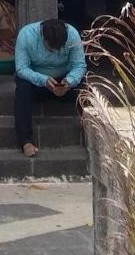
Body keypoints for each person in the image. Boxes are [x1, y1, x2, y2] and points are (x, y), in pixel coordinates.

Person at [13, 14, 87, 157]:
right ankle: (25, 141)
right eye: (51, 48)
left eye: (59, 47)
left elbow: (79, 65)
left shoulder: (72, 34)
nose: (56, 51)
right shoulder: (26, 35)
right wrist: (43, 80)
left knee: (87, 88)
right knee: (22, 89)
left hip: (64, 81)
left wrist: (69, 81)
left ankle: (87, 132)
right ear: (42, 36)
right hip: (37, 81)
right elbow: (21, 69)